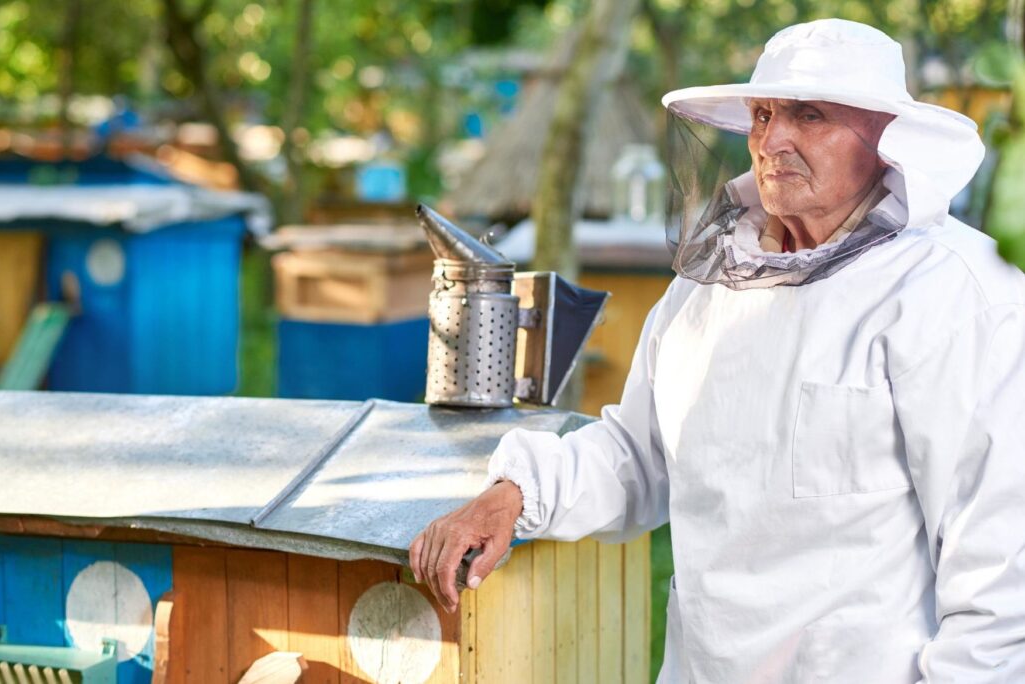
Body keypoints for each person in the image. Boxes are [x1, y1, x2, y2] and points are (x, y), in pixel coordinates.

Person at [410, 18, 1025, 682]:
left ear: (884, 136)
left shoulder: (957, 294)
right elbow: (638, 454)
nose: (772, 141)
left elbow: (1001, 558)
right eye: (762, 116)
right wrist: (514, 494)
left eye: (809, 115)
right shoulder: (707, 289)